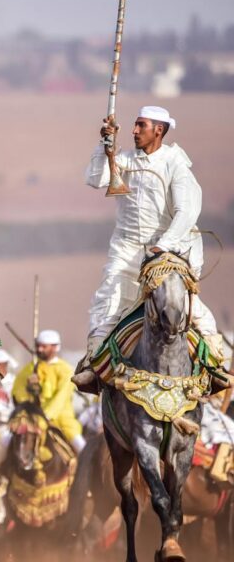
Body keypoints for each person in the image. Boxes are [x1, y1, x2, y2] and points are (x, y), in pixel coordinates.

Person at [72, 106, 228, 393]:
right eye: (134, 125)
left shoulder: (175, 164)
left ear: (159, 130)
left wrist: (163, 246)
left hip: (169, 252)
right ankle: (93, 366)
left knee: (181, 305)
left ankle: (216, 365)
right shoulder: (124, 159)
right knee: (107, 302)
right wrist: (103, 146)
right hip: (126, 249)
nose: (133, 131)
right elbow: (95, 179)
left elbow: (186, 212)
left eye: (140, 126)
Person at [12, 330, 85, 452]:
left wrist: (45, 415)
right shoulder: (29, 369)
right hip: (31, 416)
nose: (39, 349)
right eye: (38, 346)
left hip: (61, 418)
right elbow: (18, 392)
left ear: (55, 347)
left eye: (44, 346)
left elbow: (61, 398)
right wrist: (30, 391)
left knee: (80, 445)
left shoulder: (66, 370)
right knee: (6, 440)